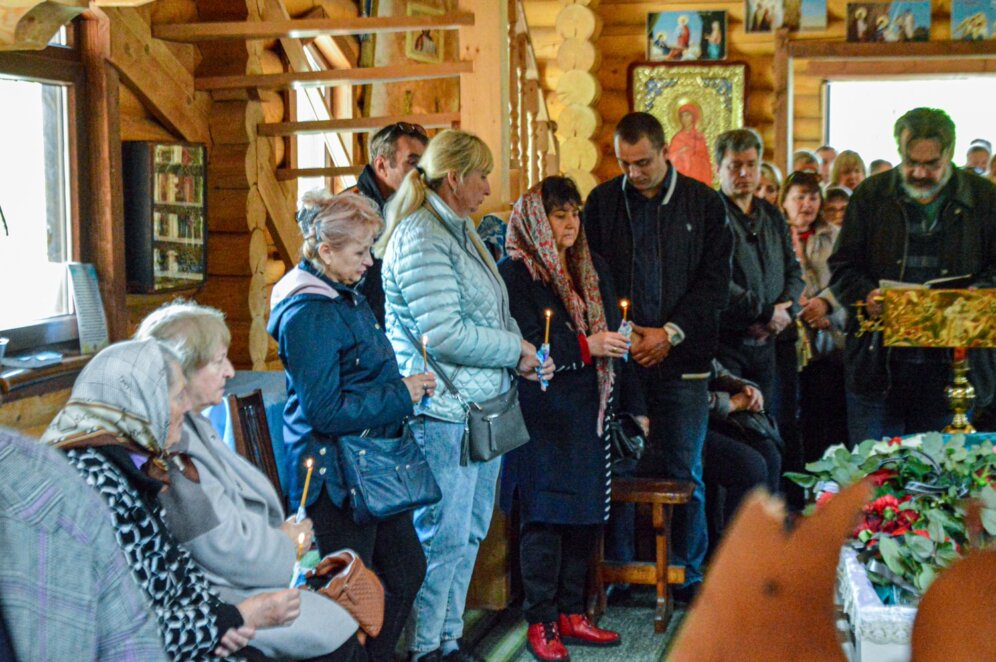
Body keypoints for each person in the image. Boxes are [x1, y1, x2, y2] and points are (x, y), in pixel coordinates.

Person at [377, 129, 553, 662]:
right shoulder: (421, 236)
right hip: (443, 411)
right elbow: (442, 334)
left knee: (471, 531)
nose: (487, 186)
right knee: (442, 536)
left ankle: (448, 639)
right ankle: (424, 647)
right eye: (481, 175)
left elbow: (483, 312)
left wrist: (520, 356)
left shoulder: (460, 229)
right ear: (454, 177)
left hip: (479, 406)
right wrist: (514, 348)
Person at [41, 339, 301, 661]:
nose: (186, 407)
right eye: (178, 396)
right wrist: (235, 618)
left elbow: (176, 564)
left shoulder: (135, 460)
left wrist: (223, 619)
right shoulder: (96, 487)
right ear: (142, 403)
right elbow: (125, 629)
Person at [136, 300, 363, 661]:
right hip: (223, 598)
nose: (229, 371)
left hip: (247, 579)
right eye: (218, 361)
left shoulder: (193, 423)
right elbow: (222, 548)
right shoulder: (171, 445)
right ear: (180, 370)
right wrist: (289, 545)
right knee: (342, 641)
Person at [268, 192, 435, 662]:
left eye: (370, 249)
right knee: (346, 592)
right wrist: (402, 394)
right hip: (333, 477)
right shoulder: (308, 314)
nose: (369, 261)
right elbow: (324, 411)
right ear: (325, 252)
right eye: (360, 251)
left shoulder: (343, 295)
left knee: (404, 570)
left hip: (369, 467)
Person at [582, 111, 733, 602]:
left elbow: (714, 284)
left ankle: (688, 574)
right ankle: (623, 572)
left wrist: (668, 332)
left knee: (684, 468)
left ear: (665, 151)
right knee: (621, 464)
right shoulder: (603, 203)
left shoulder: (704, 204)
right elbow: (592, 277)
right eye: (625, 163)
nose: (634, 173)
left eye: (643, 162)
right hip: (622, 357)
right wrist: (626, 336)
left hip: (683, 357)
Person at [500, 177, 645, 660]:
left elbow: (610, 333)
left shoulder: (590, 267)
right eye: (558, 214)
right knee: (545, 518)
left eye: (574, 213)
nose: (569, 223)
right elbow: (520, 340)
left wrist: (630, 398)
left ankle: (570, 613)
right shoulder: (515, 274)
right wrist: (587, 346)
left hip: (588, 409)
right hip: (541, 412)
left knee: (583, 515)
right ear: (536, 219)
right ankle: (540, 620)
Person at [829, 107, 996, 444]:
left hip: (953, 368)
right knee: (873, 476)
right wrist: (865, 294)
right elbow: (842, 266)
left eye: (931, 164)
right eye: (910, 162)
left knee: (940, 480)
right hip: (880, 365)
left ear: (949, 153)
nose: (919, 172)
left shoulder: (984, 199)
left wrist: (975, 295)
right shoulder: (871, 196)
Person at [0, 427, 167, 662]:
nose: (181, 411)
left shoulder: (47, 479)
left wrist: (226, 617)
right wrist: (221, 621)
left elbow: (132, 640)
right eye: (176, 397)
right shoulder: (95, 470)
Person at [714, 129, 804, 503]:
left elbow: (794, 273)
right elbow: (718, 281)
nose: (744, 174)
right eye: (735, 166)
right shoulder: (712, 215)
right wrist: (765, 311)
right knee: (741, 440)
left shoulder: (771, 215)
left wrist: (786, 310)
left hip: (770, 347)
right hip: (729, 346)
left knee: (774, 434)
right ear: (719, 167)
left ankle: (773, 530)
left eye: (751, 165)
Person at [780, 171, 849, 460]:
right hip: (785, 339)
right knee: (787, 415)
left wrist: (826, 308)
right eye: (799, 197)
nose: (806, 204)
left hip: (826, 343)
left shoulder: (834, 236)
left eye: (813, 197)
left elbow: (846, 281)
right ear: (785, 201)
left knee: (824, 416)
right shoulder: (774, 233)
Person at [344, 122, 429, 327]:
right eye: (412, 163)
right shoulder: (351, 215)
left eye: (425, 166)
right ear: (381, 166)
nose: (423, 175)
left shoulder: (413, 208)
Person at [703, 359, 781, 549]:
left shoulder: (695, 335)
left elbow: (717, 371)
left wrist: (745, 387)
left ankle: (763, 543)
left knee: (769, 452)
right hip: (673, 427)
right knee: (749, 466)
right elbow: (681, 397)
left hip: (709, 419)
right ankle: (737, 554)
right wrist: (729, 404)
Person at [669, 103, 713, 185]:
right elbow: (670, 159)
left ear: (693, 118)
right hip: (682, 178)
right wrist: (681, 152)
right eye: (682, 116)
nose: (684, 119)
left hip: (697, 175)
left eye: (687, 115)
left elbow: (705, 159)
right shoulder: (677, 138)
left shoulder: (699, 137)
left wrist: (694, 159)